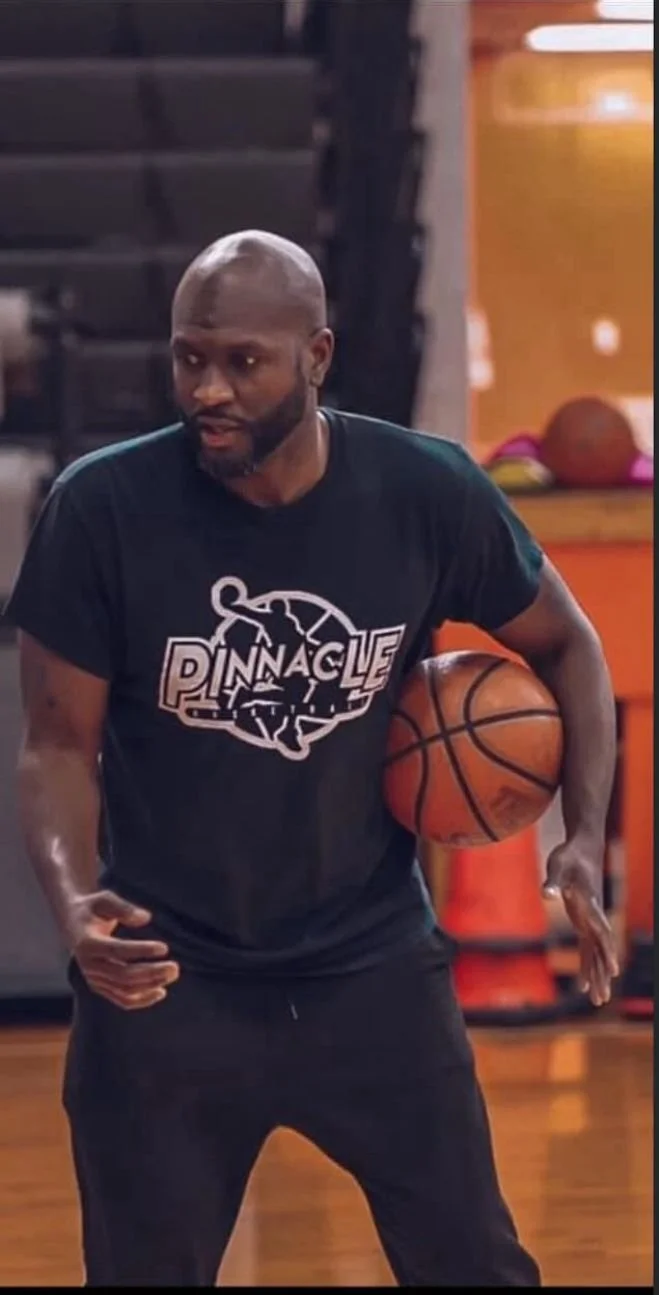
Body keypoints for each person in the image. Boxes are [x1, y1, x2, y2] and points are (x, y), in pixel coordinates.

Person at [4, 231, 619, 1287]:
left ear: (317, 356)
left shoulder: (422, 492)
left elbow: (567, 643)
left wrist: (578, 835)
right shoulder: (101, 511)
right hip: (168, 978)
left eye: (242, 361)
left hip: (369, 968)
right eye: (188, 358)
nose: (208, 388)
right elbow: (56, 743)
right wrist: (74, 905)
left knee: (475, 1262)